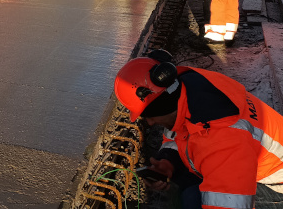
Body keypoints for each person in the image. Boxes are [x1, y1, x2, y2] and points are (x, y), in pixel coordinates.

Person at [114, 50, 283, 209]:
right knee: (185, 185)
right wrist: (168, 161)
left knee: (192, 197)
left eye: (149, 116)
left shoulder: (224, 140)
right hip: (248, 166)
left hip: (275, 186)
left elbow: (229, 204)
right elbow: (179, 134)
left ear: (162, 108)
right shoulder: (188, 91)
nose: (150, 123)